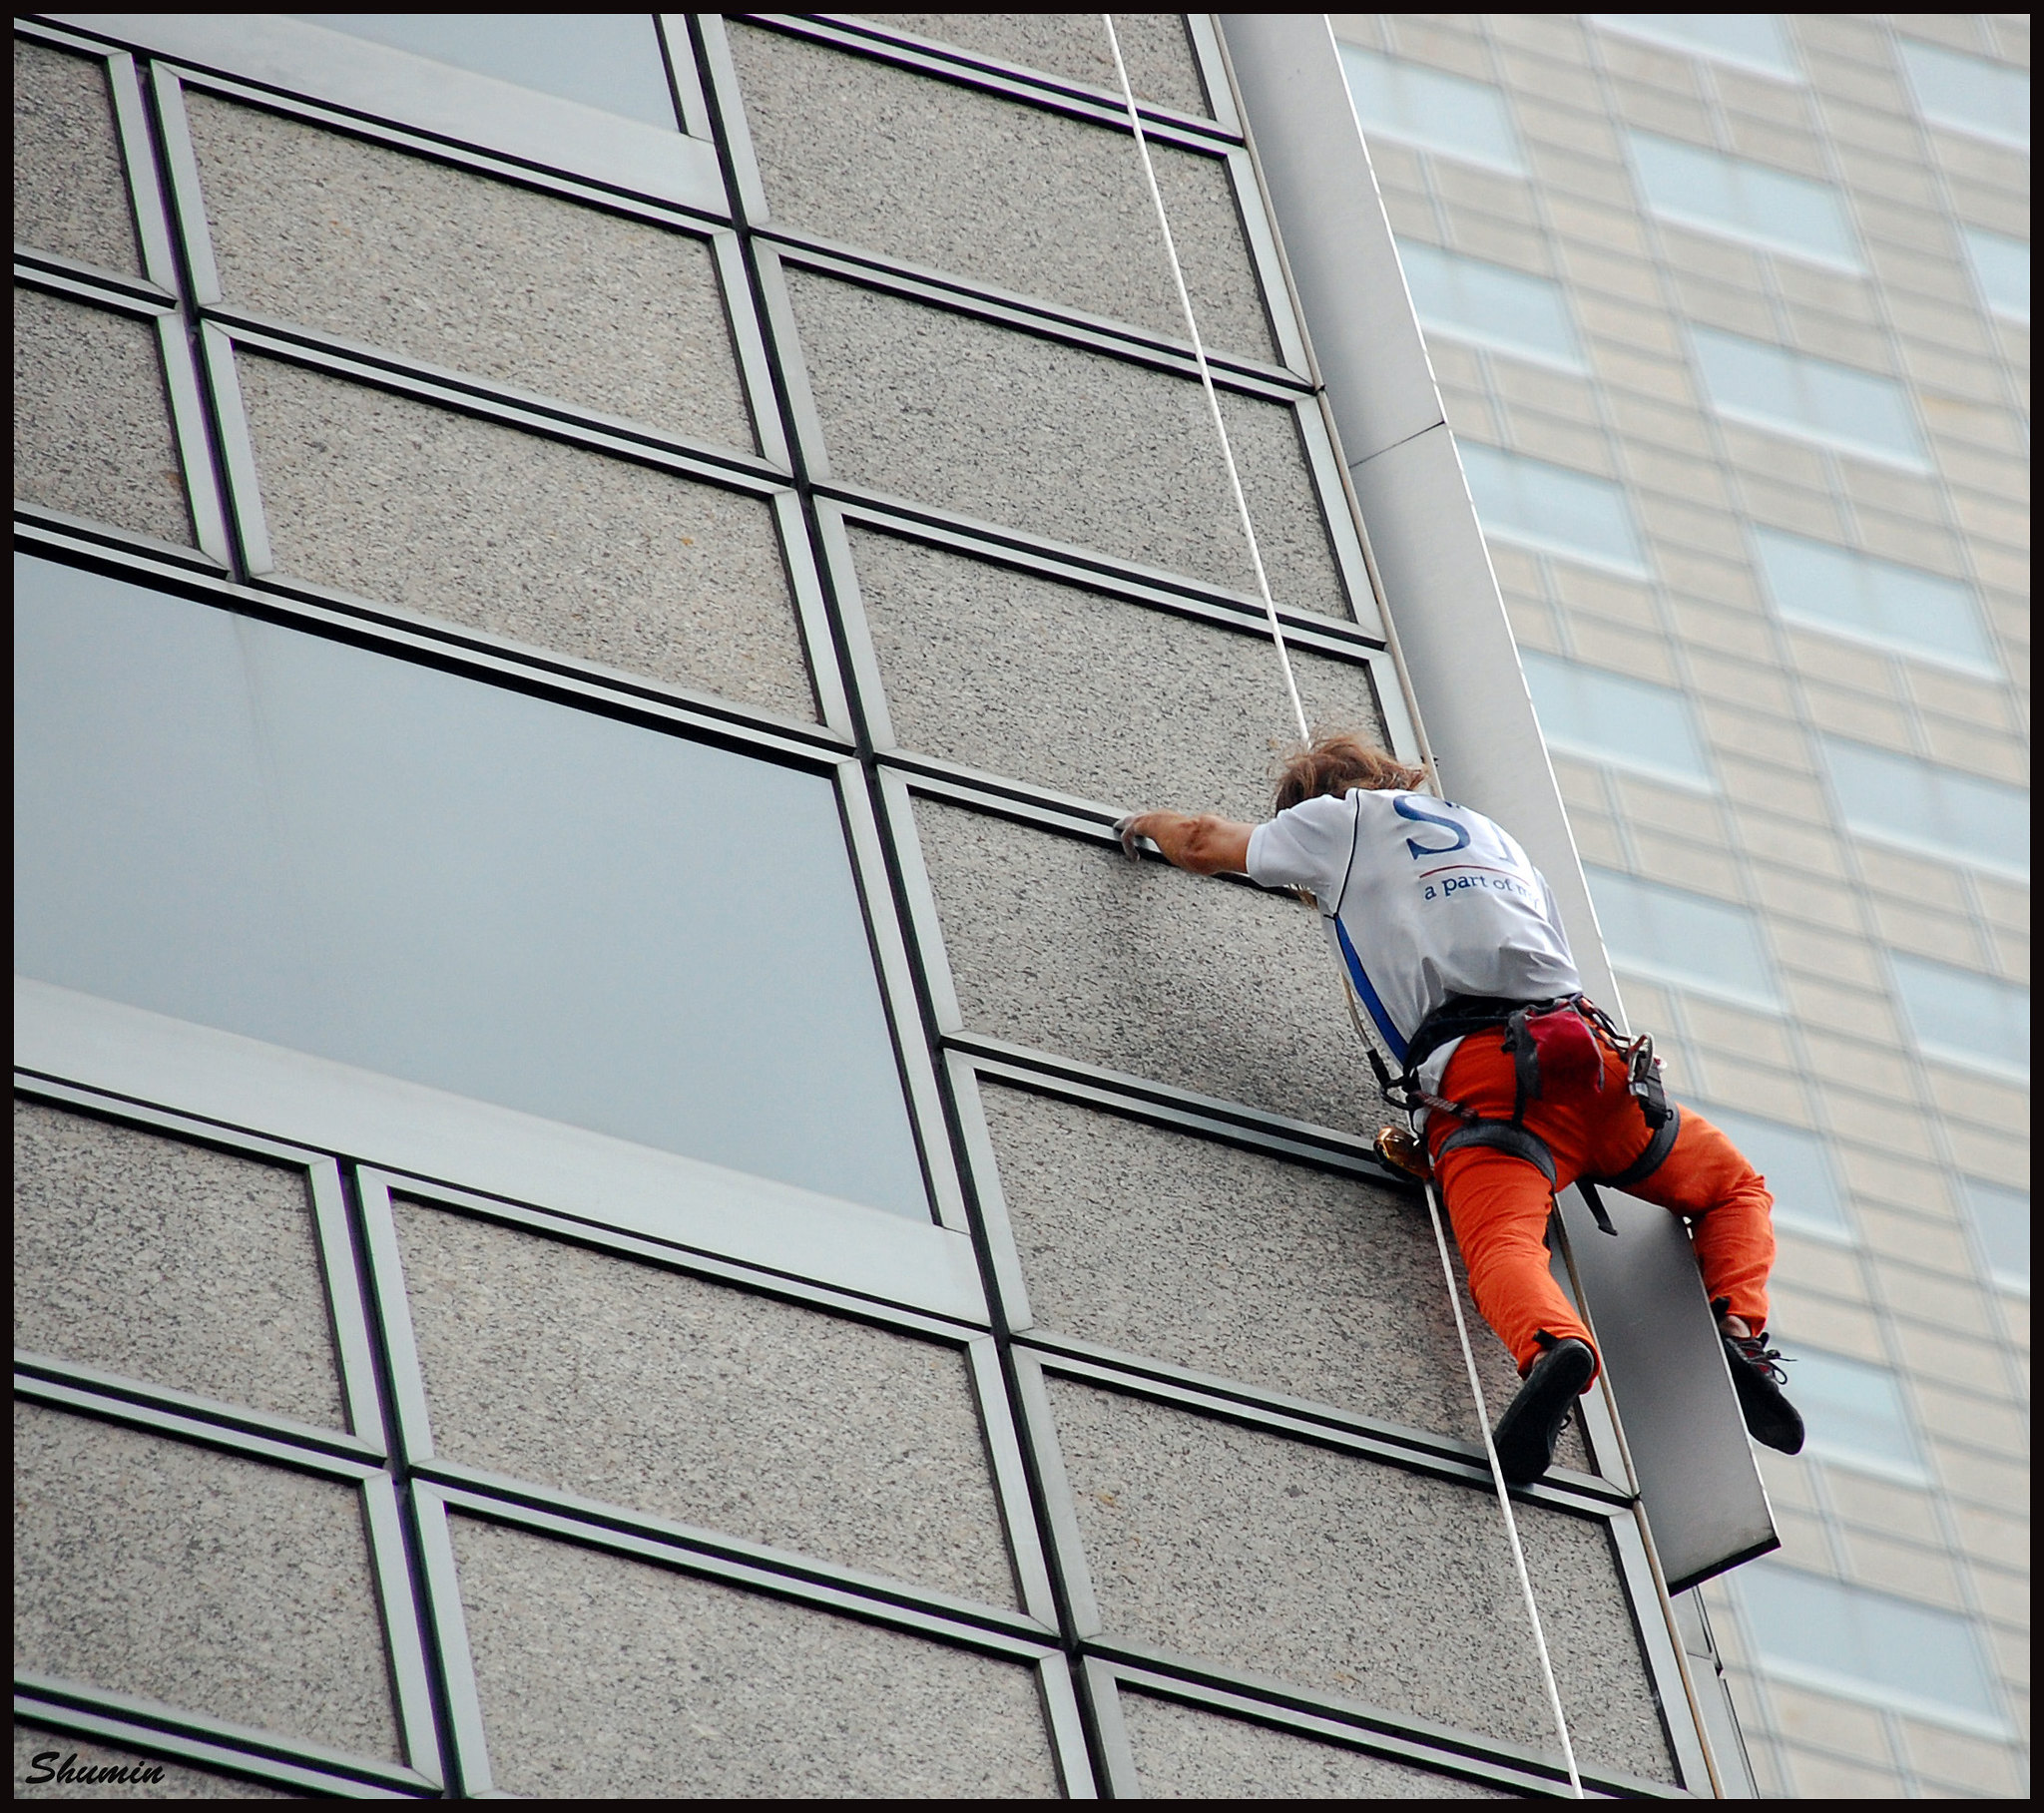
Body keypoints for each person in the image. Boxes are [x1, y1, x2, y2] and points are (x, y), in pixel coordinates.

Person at [1115, 730, 1803, 1485]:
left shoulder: (1342, 819)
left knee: (1504, 1244)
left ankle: (1556, 1347)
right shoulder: (1495, 837)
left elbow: (1206, 841)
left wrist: (1142, 823)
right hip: (1595, 1062)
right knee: (1735, 1186)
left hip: (1488, 1080)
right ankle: (1738, 1330)